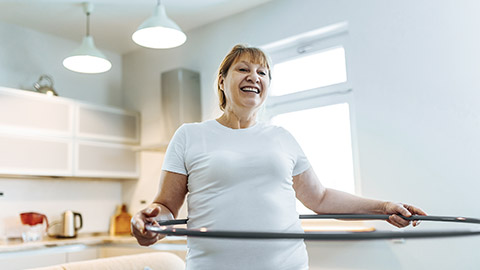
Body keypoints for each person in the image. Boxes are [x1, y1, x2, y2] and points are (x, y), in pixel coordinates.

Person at [131, 44, 426, 270]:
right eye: (243, 69)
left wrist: (384, 207)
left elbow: (320, 198)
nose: (254, 77)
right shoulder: (189, 135)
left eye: (262, 72)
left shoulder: (282, 138)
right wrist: (152, 223)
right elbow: (166, 206)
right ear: (221, 82)